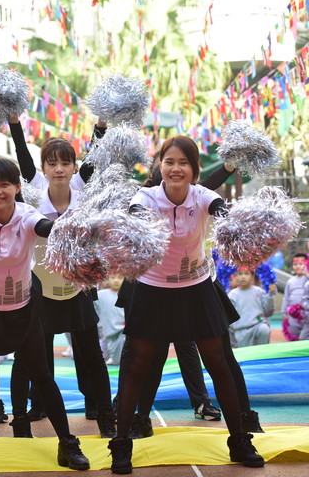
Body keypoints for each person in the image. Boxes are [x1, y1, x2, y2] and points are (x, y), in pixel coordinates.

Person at [108, 136, 264, 474]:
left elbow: (221, 212)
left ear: (194, 169)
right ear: (160, 165)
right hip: (152, 289)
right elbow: (134, 215)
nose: (176, 168)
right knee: (138, 364)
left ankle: (238, 439)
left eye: (184, 163)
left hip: (196, 287)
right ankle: (121, 443)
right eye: (169, 161)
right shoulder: (145, 197)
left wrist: (241, 224)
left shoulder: (204, 196)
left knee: (218, 362)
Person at [0, 158, 90, 475]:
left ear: (17, 187)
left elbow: (44, 227)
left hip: (22, 308)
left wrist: (72, 230)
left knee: (42, 375)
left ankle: (67, 442)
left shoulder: (25, 215)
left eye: (4, 184)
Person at [3, 115, 116, 438]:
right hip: (38, 286)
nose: (59, 169)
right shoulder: (34, 191)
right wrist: (14, 123)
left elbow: (95, 154)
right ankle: (24, 417)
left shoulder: (83, 189)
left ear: (73, 167)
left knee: (92, 354)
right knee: (30, 355)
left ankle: (104, 413)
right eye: (51, 164)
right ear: (43, 168)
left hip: (77, 286)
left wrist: (101, 125)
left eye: (65, 163)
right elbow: (22, 155)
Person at [228, 268, 275, 348]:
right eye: (240, 274)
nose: (243, 277)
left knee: (264, 329)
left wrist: (270, 295)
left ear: (252, 276)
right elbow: (229, 316)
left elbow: (268, 312)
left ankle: (263, 354)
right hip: (240, 330)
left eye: (246, 274)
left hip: (257, 326)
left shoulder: (259, 291)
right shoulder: (232, 294)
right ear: (236, 276)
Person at [94, 275, 125, 366]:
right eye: (113, 278)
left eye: (120, 278)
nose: (116, 280)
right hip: (105, 331)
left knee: (119, 360)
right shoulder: (100, 295)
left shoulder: (127, 295)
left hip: (122, 331)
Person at [282, 253, 308, 340]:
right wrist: (284, 313)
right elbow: (286, 297)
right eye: (295, 264)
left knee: (304, 337)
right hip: (293, 316)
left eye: (301, 264)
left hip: (306, 314)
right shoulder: (290, 281)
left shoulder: (307, 278)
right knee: (295, 336)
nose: (297, 266)